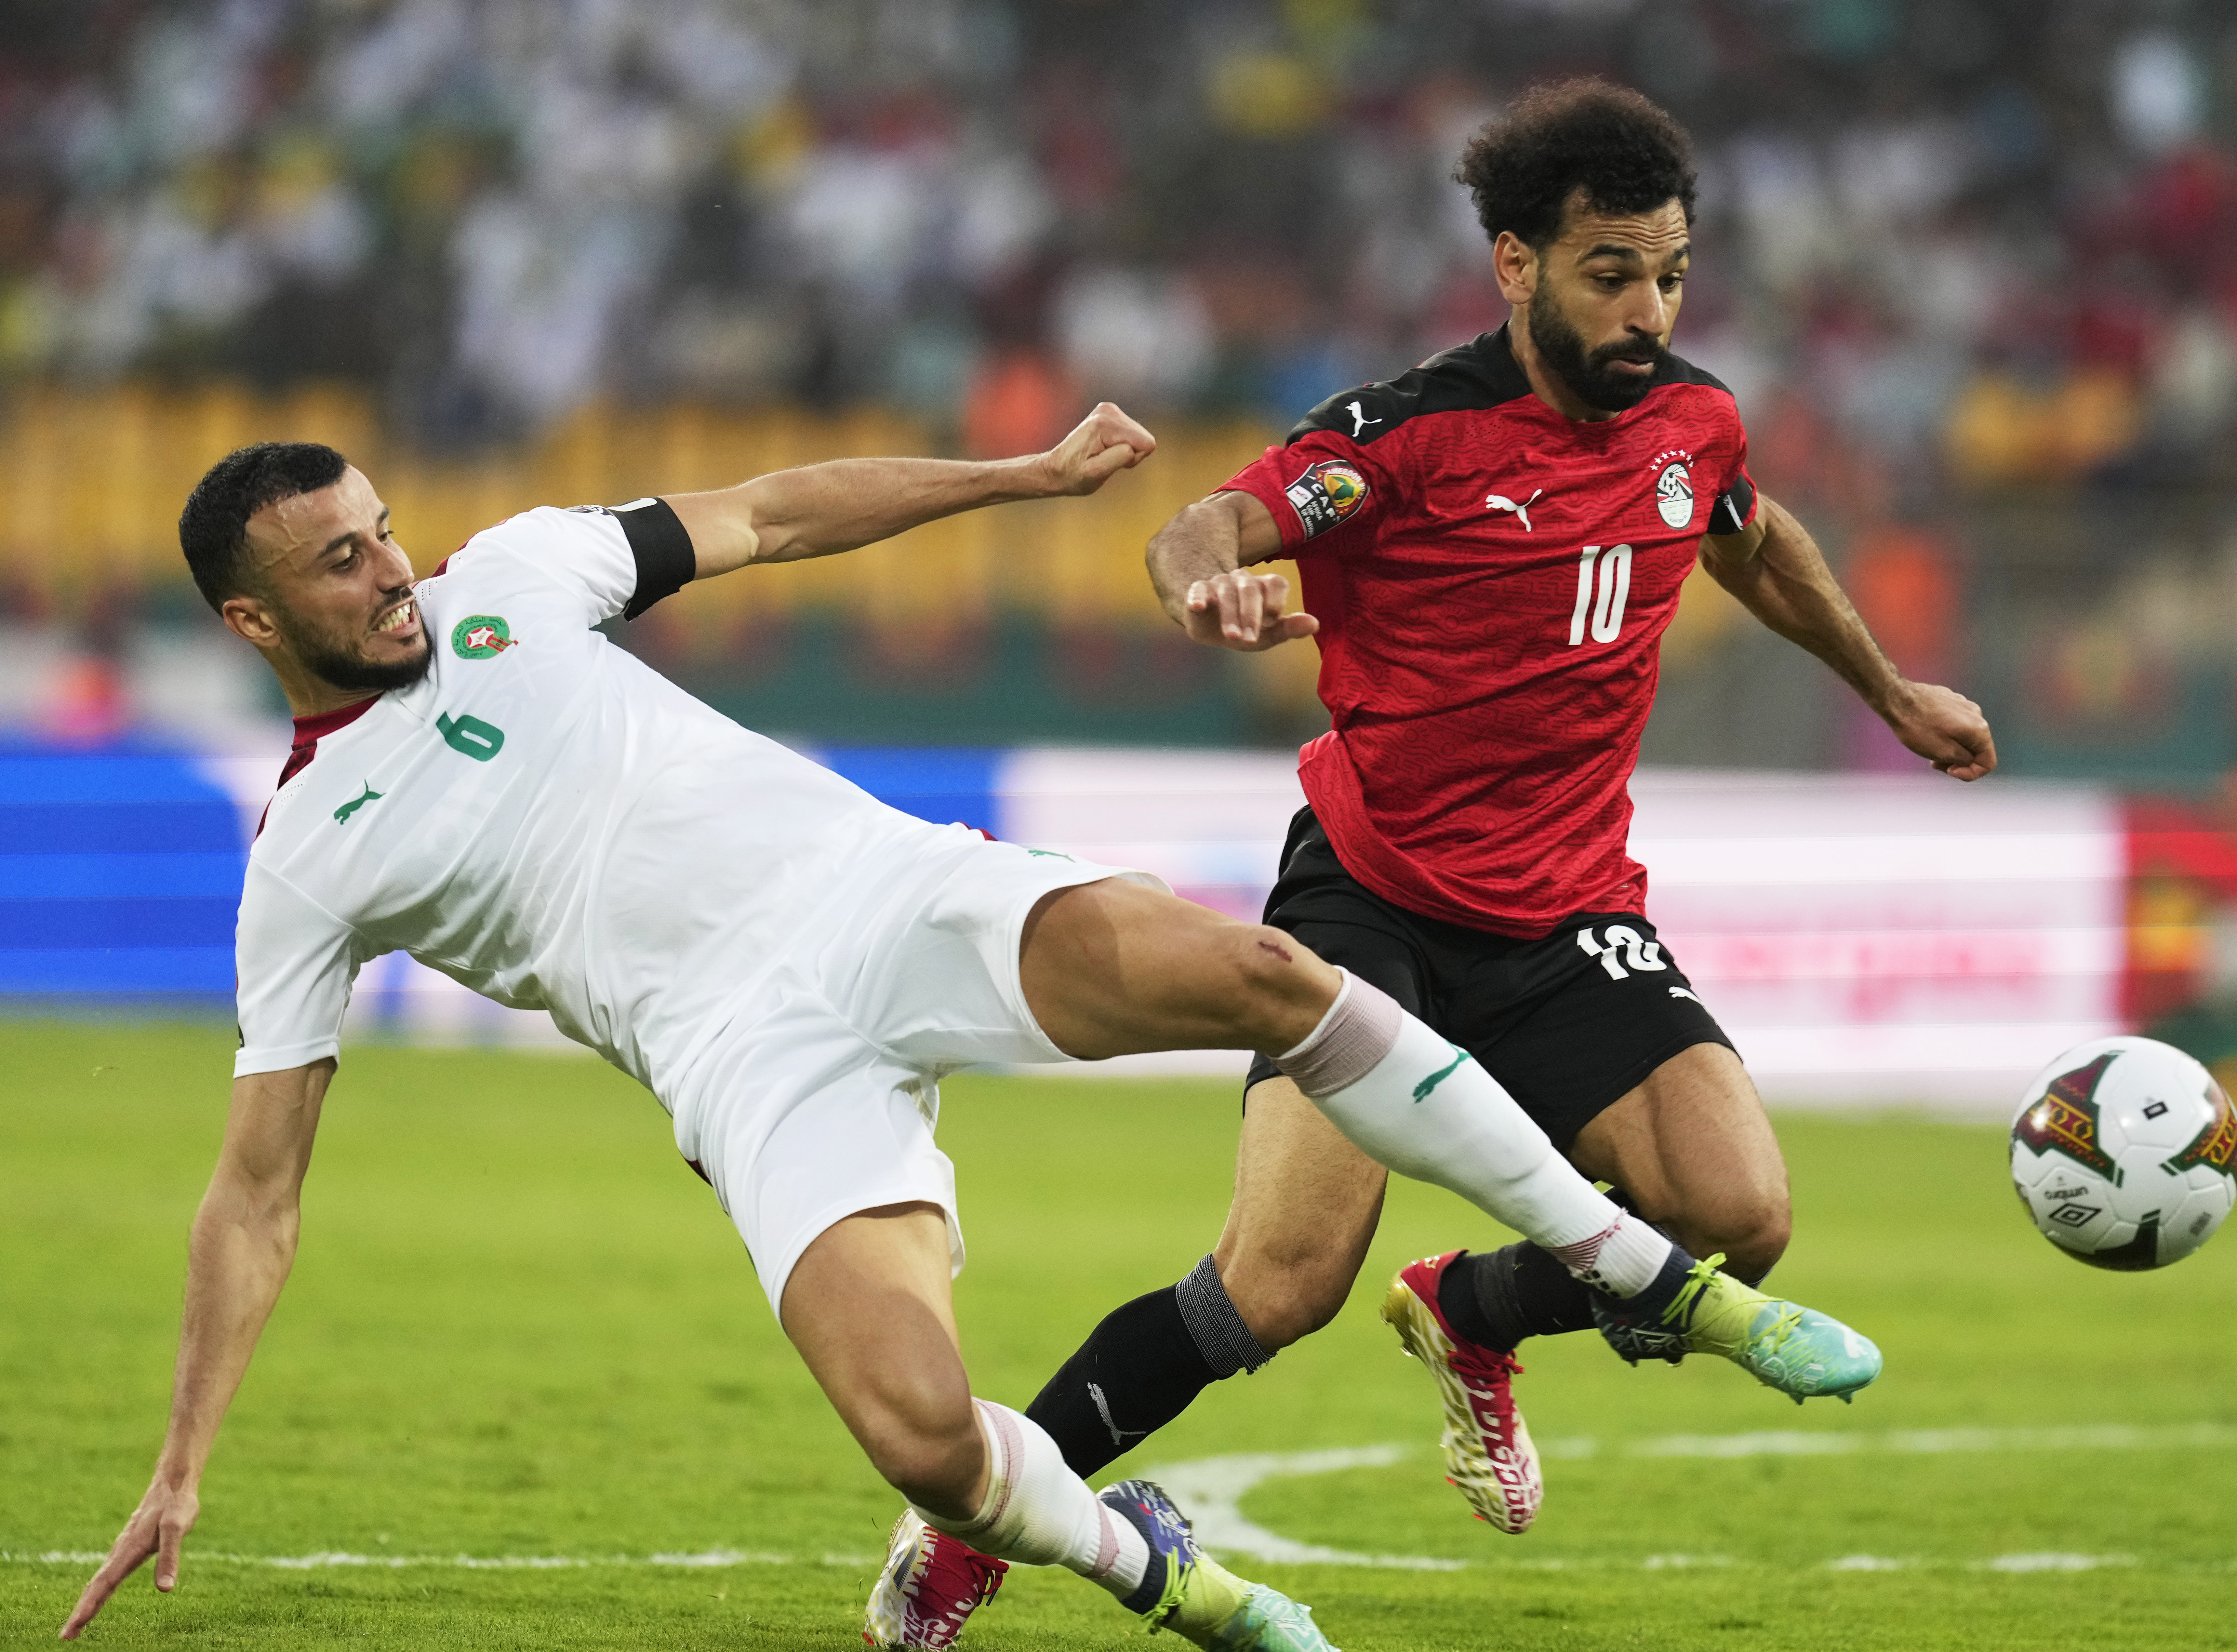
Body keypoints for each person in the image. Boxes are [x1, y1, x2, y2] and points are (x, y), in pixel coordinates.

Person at [58, 406, 1811, 1651]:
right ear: (251, 617)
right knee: (917, 1433)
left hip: (882, 895)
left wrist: (1019, 477)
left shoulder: (515, 576)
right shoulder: (302, 861)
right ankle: (1160, 1572)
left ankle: (1636, 1268)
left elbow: (773, 513)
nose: (391, 574)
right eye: (340, 566)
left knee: (1265, 976)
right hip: (745, 1062)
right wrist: (182, 1458)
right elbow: (257, 1187)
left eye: (377, 528)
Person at [871, 76, 1995, 1642]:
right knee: (1278, 1282)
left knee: (1739, 1214)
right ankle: (976, 1525)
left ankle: (1473, 1307)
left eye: (1672, 273)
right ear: (1517, 264)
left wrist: (1891, 688)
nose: (1650, 310)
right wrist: (1210, 588)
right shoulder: (1406, 435)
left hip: (1569, 908)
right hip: (1372, 894)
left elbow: (1746, 530)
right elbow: (1207, 525)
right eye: (1614, 273)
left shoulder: (1693, 419)